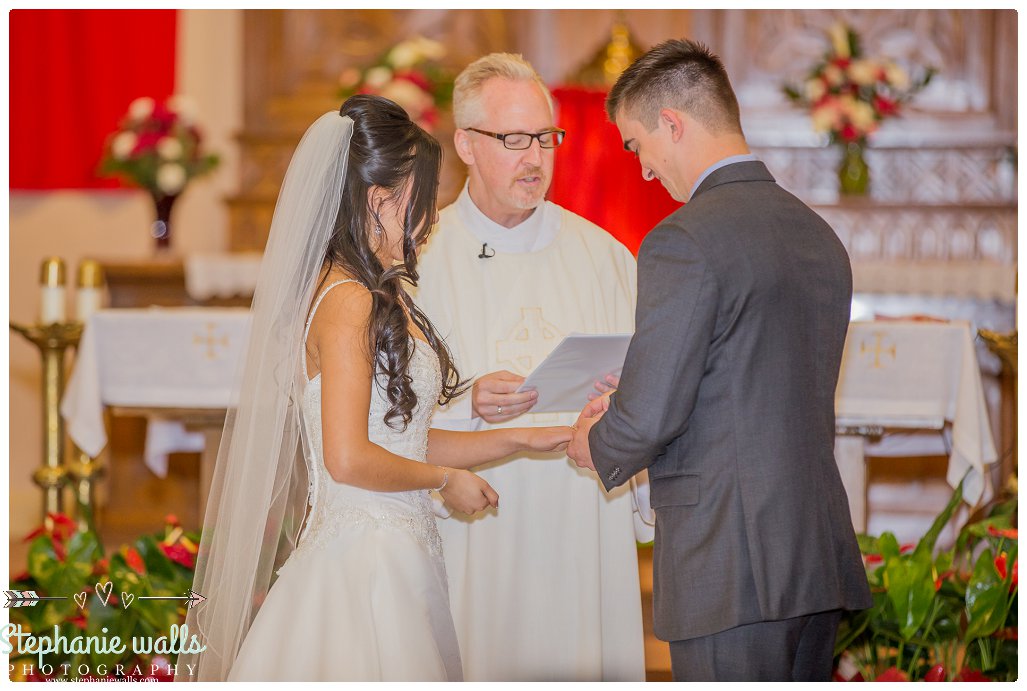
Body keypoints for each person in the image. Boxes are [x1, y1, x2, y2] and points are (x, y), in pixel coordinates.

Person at [178, 95, 572, 682]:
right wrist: (447, 482)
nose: (431, 217)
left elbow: (404, 442)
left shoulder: (371, 292)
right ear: (379, 199)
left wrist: (521, 440)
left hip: (393, 549)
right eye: (422, 198)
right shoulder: (348, 301)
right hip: (363, 564)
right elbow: (348, 458)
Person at [567, 39, 872, 682]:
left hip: (730, 565)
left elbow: (649, 417)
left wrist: (594, 440)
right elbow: (755, 378)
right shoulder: (817, 234)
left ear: (672, 124)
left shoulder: (682, 239)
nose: (644, 170)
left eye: (638, 145)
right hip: (814, 555)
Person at [412, 53, 646, 682]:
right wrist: (465, 400)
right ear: (464, 142)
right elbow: (384, 417)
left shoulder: (604, 258)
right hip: (474, 525)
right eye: (513, 139)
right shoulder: (421, 261)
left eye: (546, 137)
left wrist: (618, 402)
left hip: (581, 521)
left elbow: (650, 388)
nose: (536, 158)